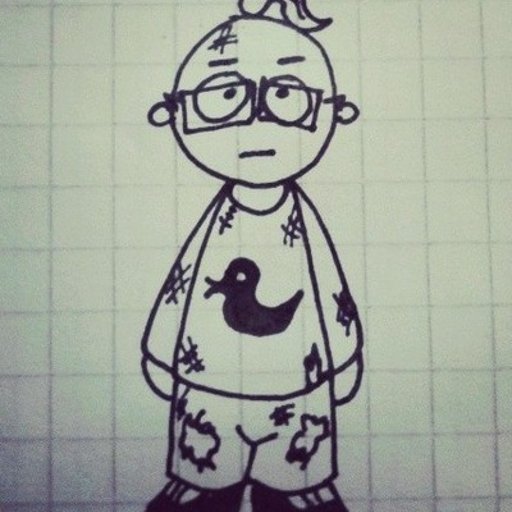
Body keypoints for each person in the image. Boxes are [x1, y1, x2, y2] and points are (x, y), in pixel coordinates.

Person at [142, 1, 363, 510]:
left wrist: (345, 357)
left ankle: (296, 488)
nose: (257, 121)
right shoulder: (214, 222)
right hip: (207, 388)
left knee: (292, 480)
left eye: (286, 95)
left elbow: (332, 294)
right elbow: (181, 287)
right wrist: (160, 352)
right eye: (224, 96)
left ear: (333, 110)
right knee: (205, 479)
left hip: (298, 391)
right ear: (176, 111)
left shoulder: (305, 222)